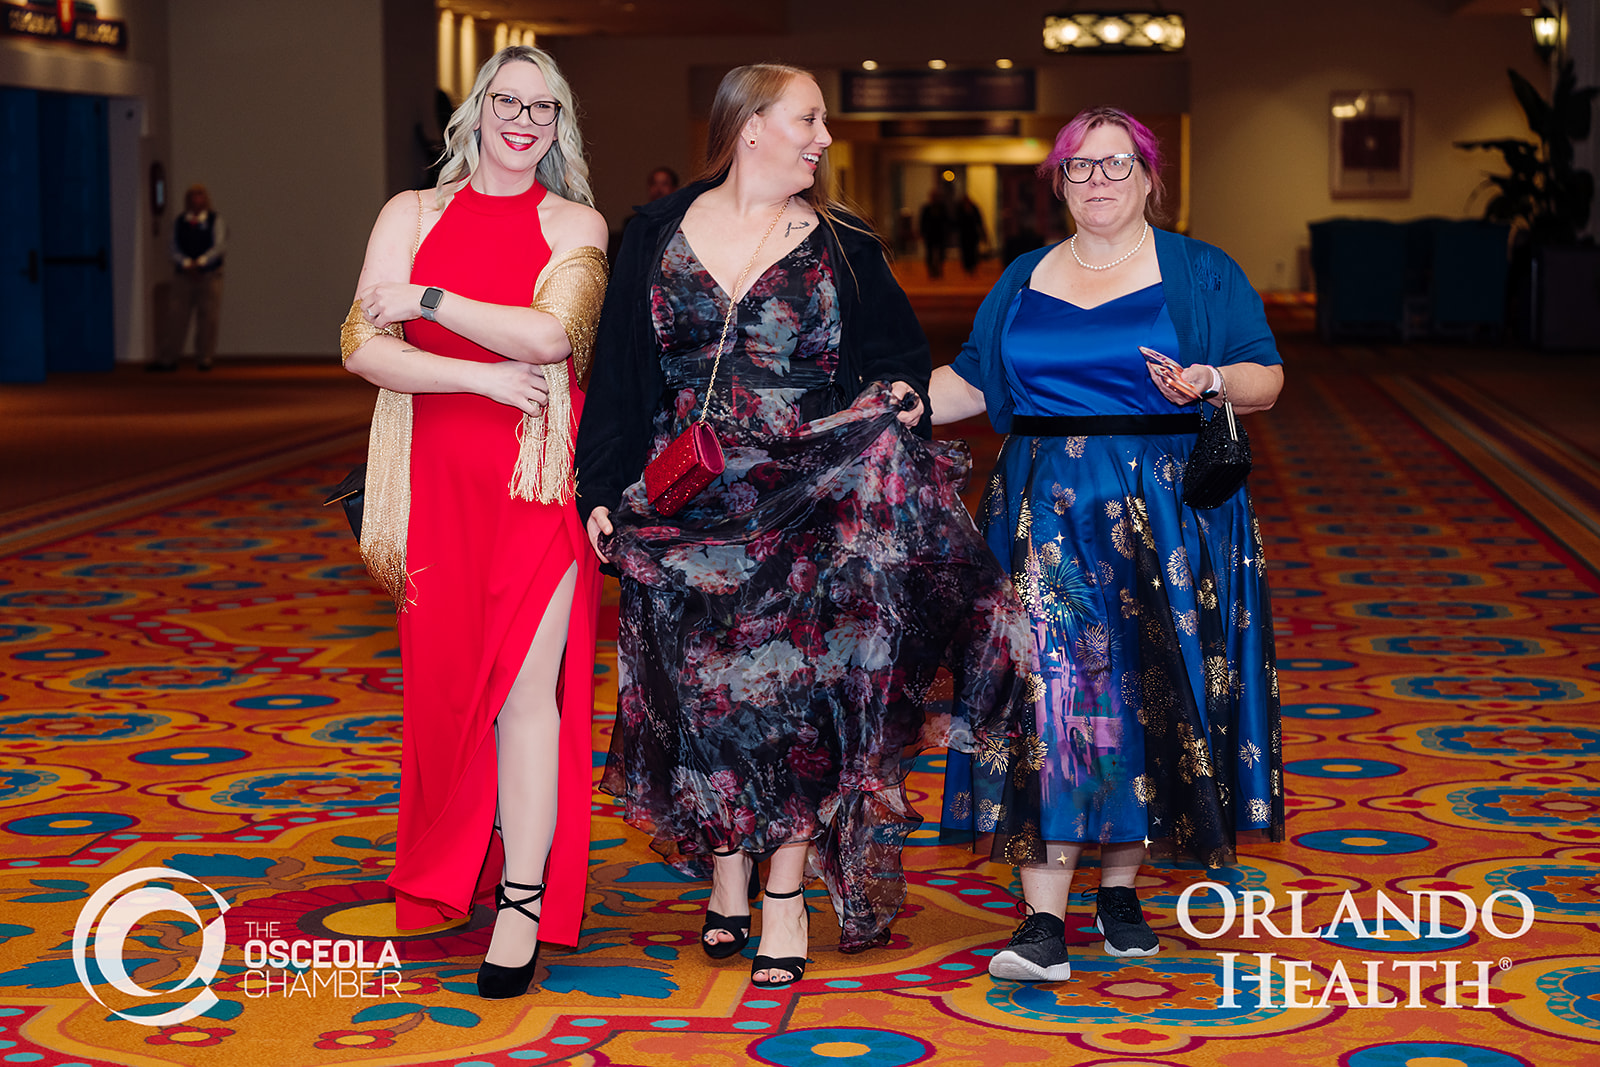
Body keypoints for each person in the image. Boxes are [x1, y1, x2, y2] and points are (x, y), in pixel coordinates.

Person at [576, 63, 1041, 990]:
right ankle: (727, 878)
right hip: (688, 497)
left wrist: (898, 396)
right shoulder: (654, 233)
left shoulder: (844, 242)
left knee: (793, 700)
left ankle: (783, 894)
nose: (824, 137)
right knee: (702, 695)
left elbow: (898, 355)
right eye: (810, 118)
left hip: (809, 497)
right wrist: (599, 485)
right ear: (751, 126)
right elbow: (622, 374)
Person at [929, 106, 1285, 982]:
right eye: (1080, 166)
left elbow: (1266, 377)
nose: (1098, 180)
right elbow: (972, 382)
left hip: (1163, 518)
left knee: (1144, 693)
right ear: (1059, 181)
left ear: (1149, 177)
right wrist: (885, 406)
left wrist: (1209, 379)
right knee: (1048, 692)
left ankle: (1119, 891)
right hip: (1042, 518)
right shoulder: (1026, 274)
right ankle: (1042, 919)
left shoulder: (1201, 270)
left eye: (1116, 164)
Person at [341, 44, 608, 1000]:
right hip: (435, 485)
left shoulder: (575, 221)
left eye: (543, 106)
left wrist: (428, 301)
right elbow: (361, 345)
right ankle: (462, 857)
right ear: (477, 110)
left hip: (536, 486)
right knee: (451, 688)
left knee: (527, 693)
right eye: (508, 101)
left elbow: (553, 334)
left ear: (559, 123)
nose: (524, 119)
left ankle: (522, 903)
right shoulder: (409, 213)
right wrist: (480, 376)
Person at [154, 184, 225, 371]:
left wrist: (201, 263)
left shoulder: (215, 220)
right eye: (193, 196)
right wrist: (186, 264)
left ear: (206, 199)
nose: (196, 199)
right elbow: (172, 247)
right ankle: (168, 359)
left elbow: (219, 246)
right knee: (176, 317)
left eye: (200, 195)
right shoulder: (179, 222)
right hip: (183, 276)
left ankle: (204, 358)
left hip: (209, 276)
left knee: (208, 319)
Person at [918, 186, 949, 278]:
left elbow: (946, 221)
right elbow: (922, 222)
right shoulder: (926, 208)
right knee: (930, 254)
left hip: (940, 234)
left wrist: (947, 232)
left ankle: (939, 270)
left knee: (941, 254)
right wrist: (922, 233)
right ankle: (931, 271)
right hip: (930, 235)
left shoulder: (942, 208)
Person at [955, 194, 985, 275]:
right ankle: (967, 267)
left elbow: (979, 221)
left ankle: (973, 267)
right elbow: (957, 222)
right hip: (964, 235)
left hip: (973, 235)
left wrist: (982, 233)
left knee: (973, 251)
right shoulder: (960, 209)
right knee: (965, 252)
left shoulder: (974, 208)